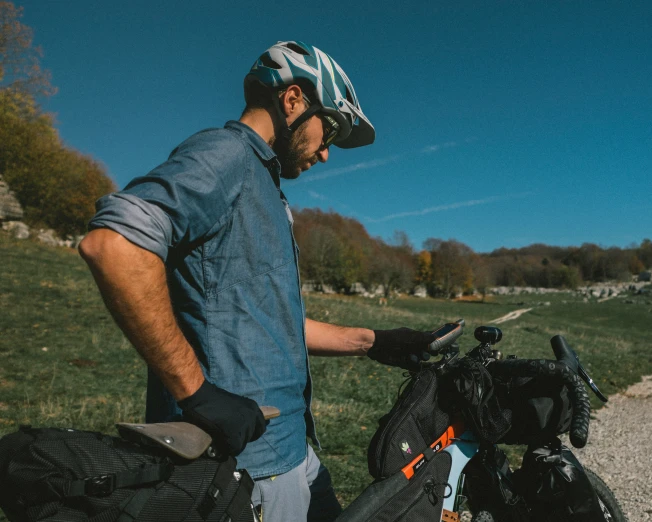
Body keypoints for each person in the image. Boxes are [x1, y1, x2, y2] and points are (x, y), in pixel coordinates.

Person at [78, 41, 438, 522]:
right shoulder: (227, 154)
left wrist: (375, 341)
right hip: (242, 468)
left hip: (291, 449)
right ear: (293, 101)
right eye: (328, 128)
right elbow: (114, 245)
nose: (327, 152)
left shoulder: (265, 186)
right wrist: (196, 393)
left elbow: (266, 317)